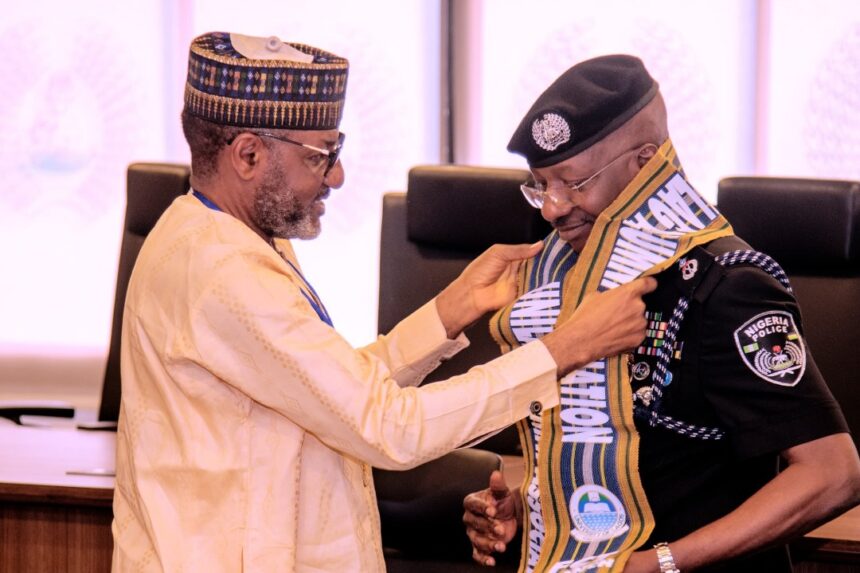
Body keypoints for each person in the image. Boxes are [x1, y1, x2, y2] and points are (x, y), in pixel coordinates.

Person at [111, 33, 656, 572]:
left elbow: (332, 392)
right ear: (249, 154)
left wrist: (451, 311)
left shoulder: (225, 235)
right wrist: (564, 351)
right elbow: (388, 425)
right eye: (322, 156)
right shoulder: (222, 270)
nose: (338, 175)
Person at [463, 54, 860, 573]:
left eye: (574, 183)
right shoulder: (560, 276)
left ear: (646, 162)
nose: (553, 207)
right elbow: (630, 453)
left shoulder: (727, 285)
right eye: (541, 185)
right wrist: (535, 510)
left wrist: (657, 564)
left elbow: (833, 474)